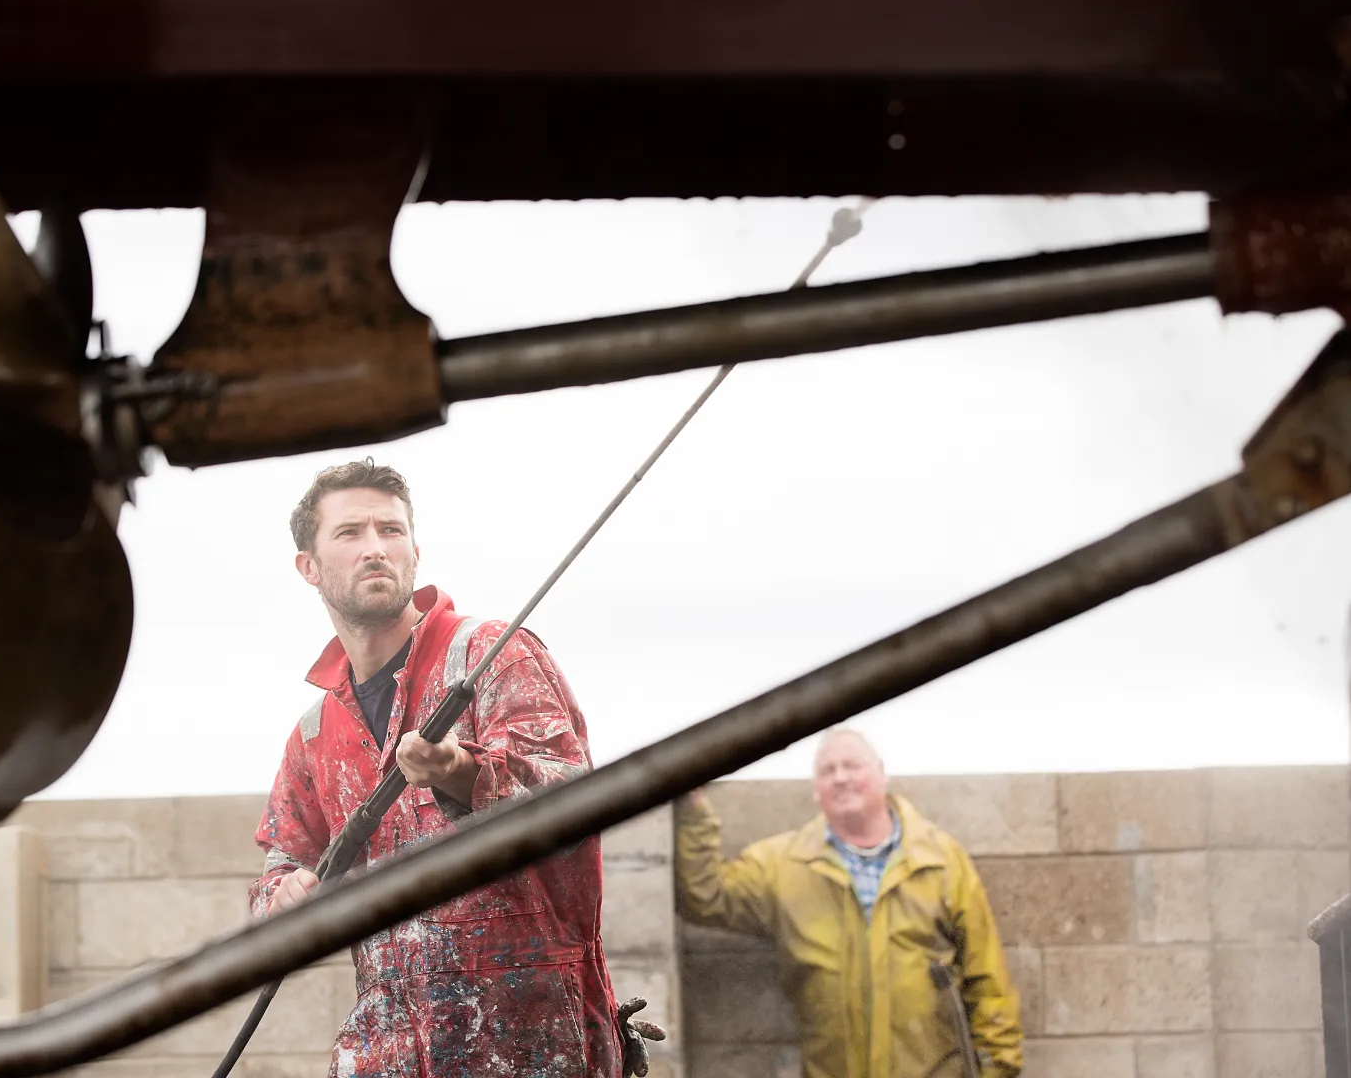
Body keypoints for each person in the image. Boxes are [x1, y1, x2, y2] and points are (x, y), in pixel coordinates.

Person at [248, 458, 660, 1078]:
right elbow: (283, 863)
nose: (374, 549)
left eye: (390, 531)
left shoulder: (491, 655)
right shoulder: (314, 734)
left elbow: (579, 800)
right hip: (386, 1051)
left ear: (416, 548)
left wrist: (463, 773)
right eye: (349, 533)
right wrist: (279, 901)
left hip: (531, 1045)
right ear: (308, 566)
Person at [675, 728, 1023, 1078]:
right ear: (816, 789)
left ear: (881, 773)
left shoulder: (942, 860)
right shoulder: (783, 866)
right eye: (828, 770)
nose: (840, 777)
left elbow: (988, 980)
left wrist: (998, 1070)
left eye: (852, 765)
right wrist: (693, 809)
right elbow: (703, 897)